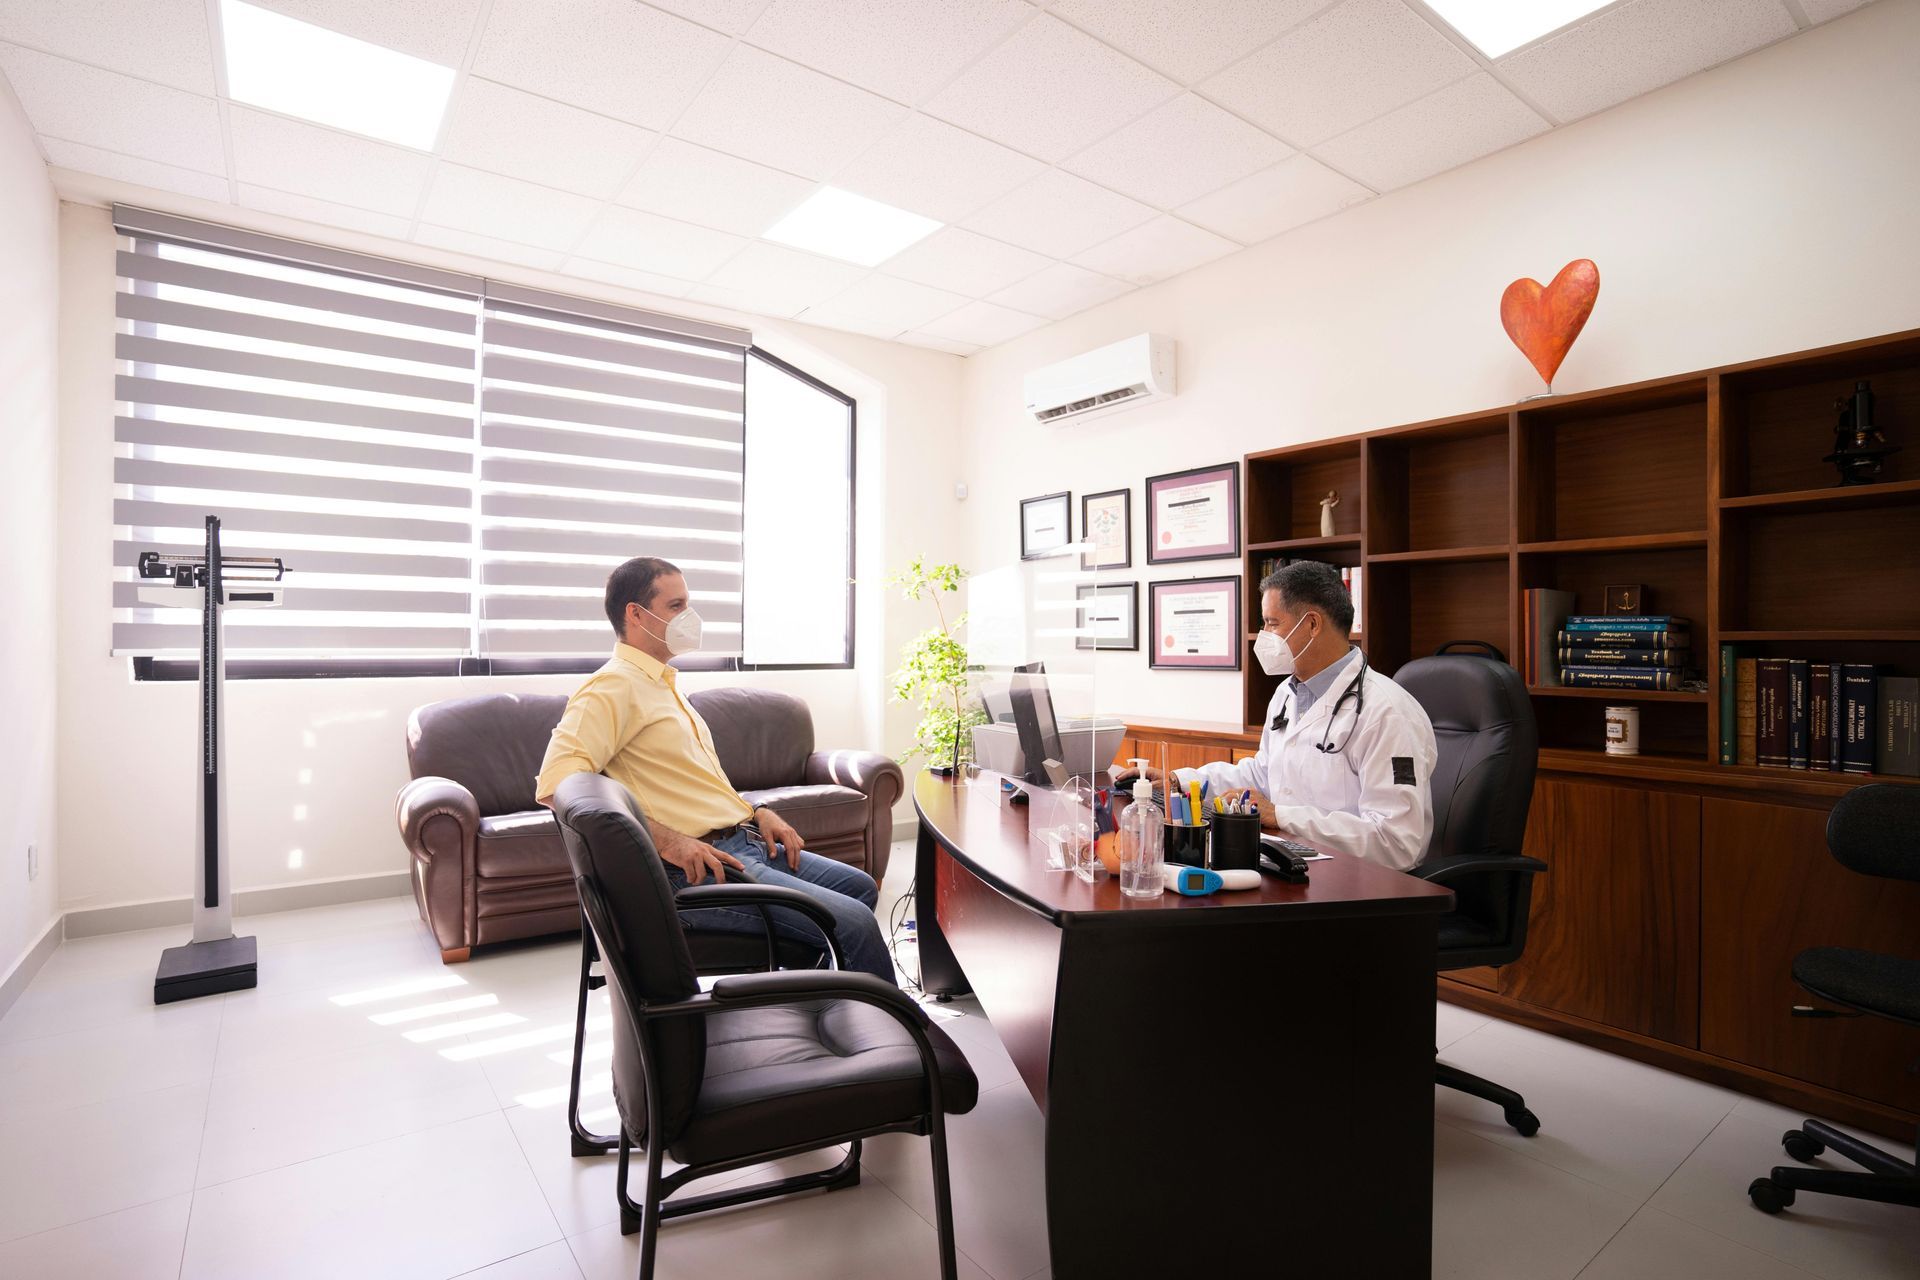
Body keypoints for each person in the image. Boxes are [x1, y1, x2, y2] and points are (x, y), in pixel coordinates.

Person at [534, 556, 894, 982]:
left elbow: (696, 785)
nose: (689, 617)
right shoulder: (611, 688)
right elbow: (557, 786)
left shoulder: (663, 686)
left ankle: (810, 997)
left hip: (743, 842)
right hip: (696, 868)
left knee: (861, 888)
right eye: (676, 605)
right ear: (635, 613)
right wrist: (668, 841)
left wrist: (756, 813)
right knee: (853, 922)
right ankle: (897, 1037)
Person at [1143, 561, 1437, 872]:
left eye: (1272, 623)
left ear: (1312, 624)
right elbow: (1263, 773)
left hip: (1361, 885)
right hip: (1296, 863)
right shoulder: (1287, 693)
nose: (1262, 635)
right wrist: (1182, 780)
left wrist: (1281, 815)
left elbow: (1397, 843)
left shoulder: (1387, 711)